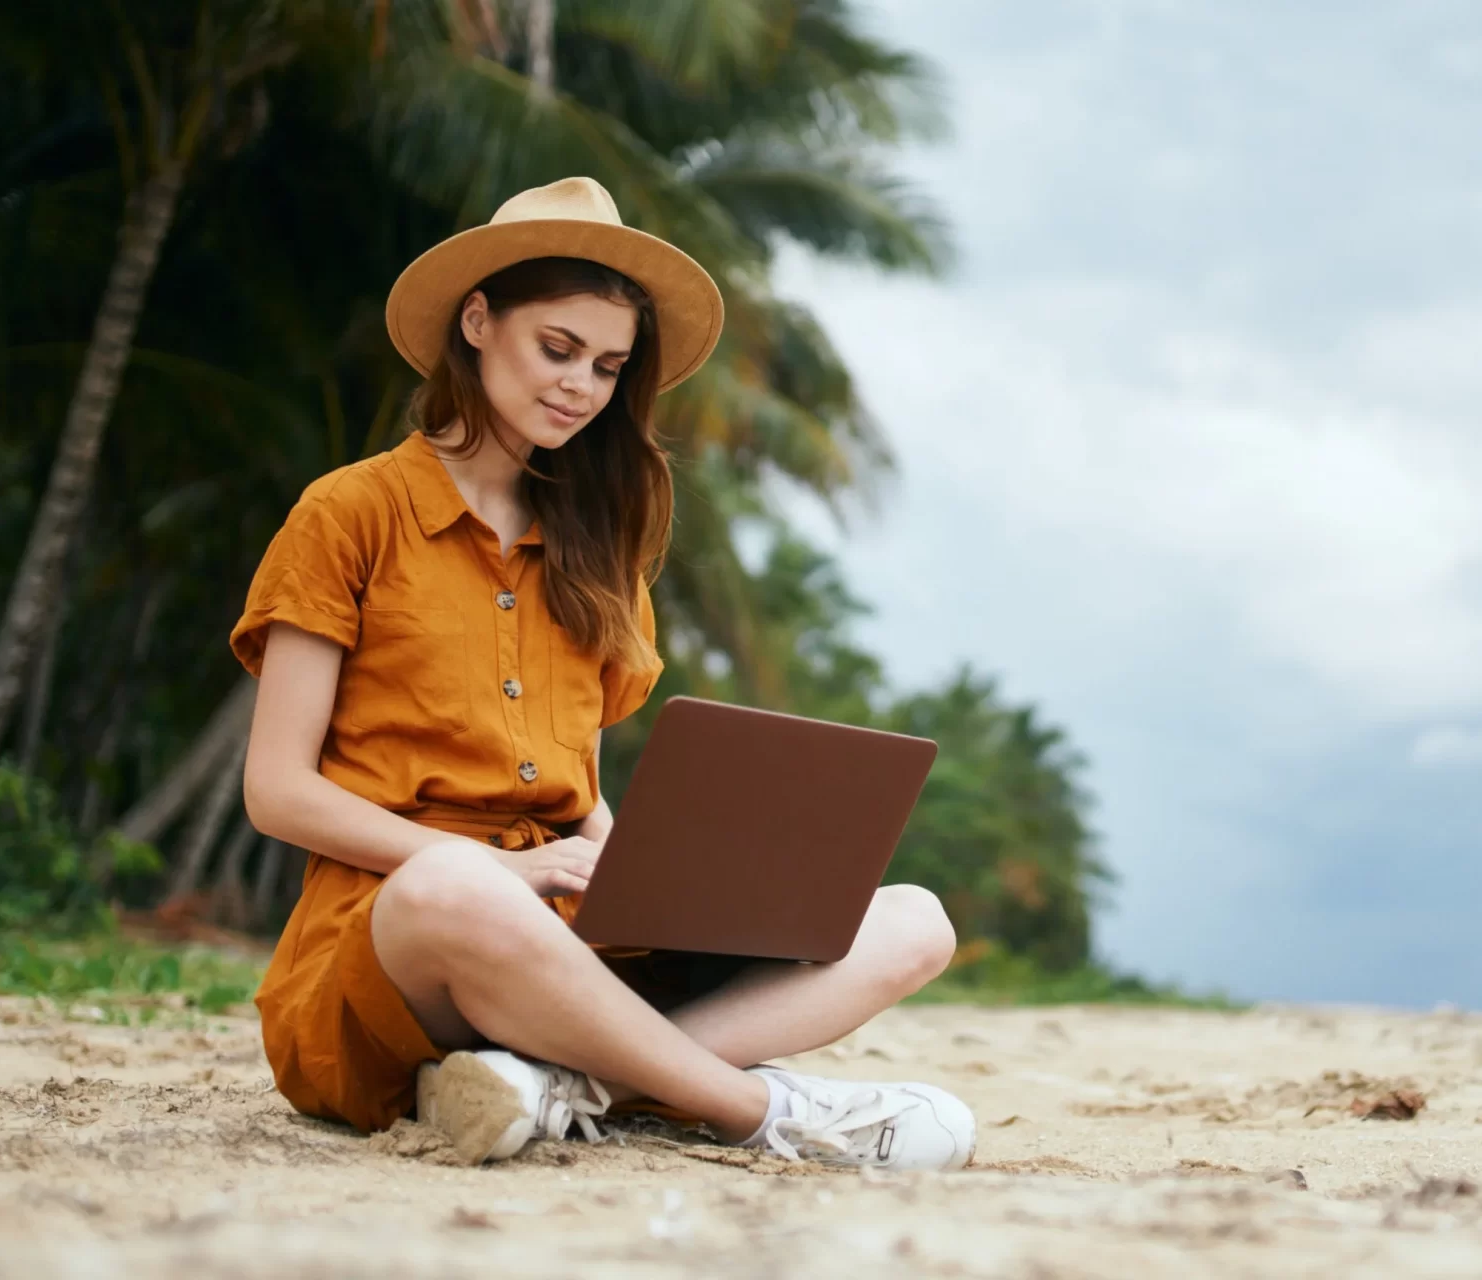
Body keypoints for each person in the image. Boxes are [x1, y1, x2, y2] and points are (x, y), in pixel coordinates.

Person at [231, 177, 975, 1170]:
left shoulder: (599, 549)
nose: (581, 384)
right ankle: (756, 1108)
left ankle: (556, 1087)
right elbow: (276, 791)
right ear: (478, 320)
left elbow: (571, 786)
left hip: (569, 941)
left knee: (913, 920)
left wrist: (653, 883)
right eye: (558, 348)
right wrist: (499, 868)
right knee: (448, 880)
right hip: (401, 944)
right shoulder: (348, 511)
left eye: (609, 365)